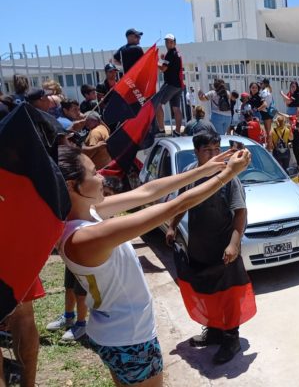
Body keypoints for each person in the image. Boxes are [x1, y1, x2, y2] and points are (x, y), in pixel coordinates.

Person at [55, 141, 250, 386]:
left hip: (117, 333)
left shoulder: (87, 213)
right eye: (94, 173)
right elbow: (174, 205)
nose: (102, 177)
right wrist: (227, 175)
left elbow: (147, 192)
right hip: (129, 338)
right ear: (71, 186)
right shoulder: (84, 237)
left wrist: (205, 170)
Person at [166, 132, 255, 365]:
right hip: (199, 248)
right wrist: (172, 226)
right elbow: (182, 203)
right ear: (196, 152)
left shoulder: (229, 177)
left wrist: (234, 244)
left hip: (224, 251)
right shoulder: (192, 174)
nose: (215, 155)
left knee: (228, 296)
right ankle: (214, 331)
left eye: (217, 149)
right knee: (205, 291)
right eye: (208, 150)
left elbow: (240, 212)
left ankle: (231, 339)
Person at [155, 34, 184, 135]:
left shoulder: (171, 54)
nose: (168, 43)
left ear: (174, 43)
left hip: (170, 84)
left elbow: (163, 68)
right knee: (176, 108)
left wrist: (156, 62)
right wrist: (162, 60)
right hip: (179, 85)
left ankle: (161, 130)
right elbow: (168, 65)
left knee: (157, 104)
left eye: (171, 42)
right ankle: (177, 131)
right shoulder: (177, 53)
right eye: (167, 41)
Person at [260, 78, 275, 143]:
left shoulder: (264, 92)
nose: (260, 85)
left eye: (261, 84)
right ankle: (269, 145)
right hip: (270, 112)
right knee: (268, 130)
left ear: (264, 84)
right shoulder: (269, 91)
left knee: (268, 131)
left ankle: (270, 145)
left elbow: (265, 104)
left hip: (266, 112)